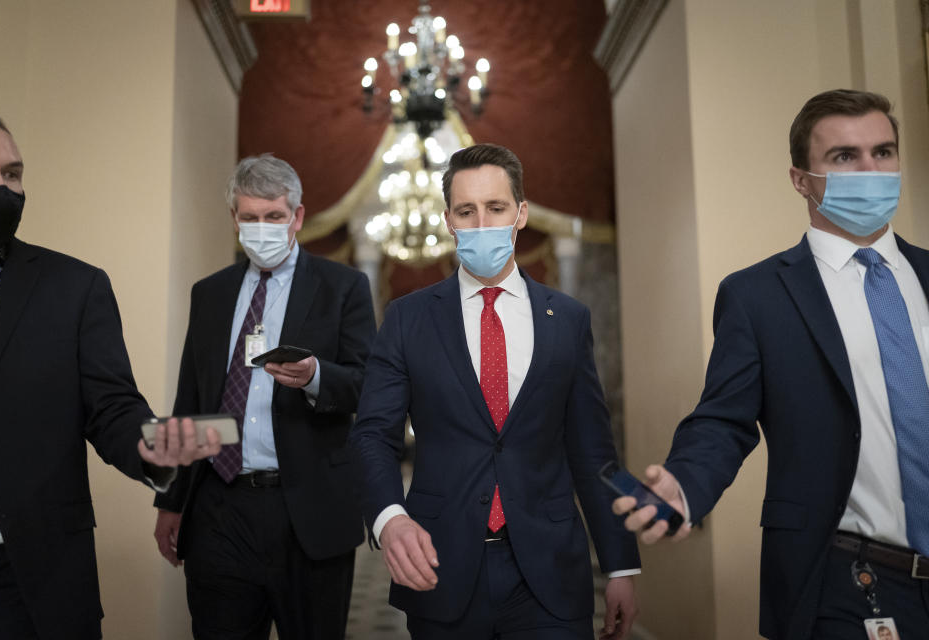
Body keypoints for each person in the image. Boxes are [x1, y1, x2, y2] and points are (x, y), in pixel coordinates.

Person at [613, 89, 929, 639]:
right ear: (801, 179)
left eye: (883, 152)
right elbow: (724, 421)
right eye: (844, 157)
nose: (870, 171)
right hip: (850, 580)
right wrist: (685, 486)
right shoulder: (759, 296)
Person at [350, 143, 640, 639]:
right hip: (441, 565)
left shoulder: (568, 320)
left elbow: (593, 451)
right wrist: (389, 517)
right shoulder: (408, 318)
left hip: (549, 571)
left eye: (496, 208)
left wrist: (620, 565)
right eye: (467, 211)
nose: (481, 223)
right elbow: (373, 434)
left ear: (521, 213)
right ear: (448, 221)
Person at [0, 104, 221, 640]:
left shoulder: (71, 289)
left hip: (15, 577)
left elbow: (111, 409)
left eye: (12, 174)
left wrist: (152, 446)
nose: (1, 187)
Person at [152, 154, 376, 640]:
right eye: (250, 217)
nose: (262, 227)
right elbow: (190, 397)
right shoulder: (209, 293)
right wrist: (170, 501)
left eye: (274, 216)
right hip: (218, 508)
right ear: (234, 219)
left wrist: (317, 375)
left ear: (296, 217)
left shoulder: (343, 288)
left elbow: (367, 384)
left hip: (308, 510)